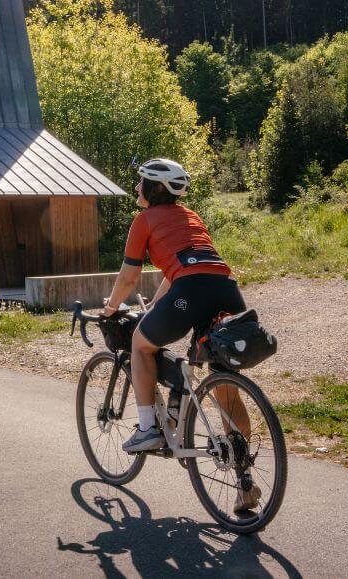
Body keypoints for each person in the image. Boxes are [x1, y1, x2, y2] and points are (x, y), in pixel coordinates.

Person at [102, 158, 260, 512]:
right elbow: (182, 271)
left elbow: (129, 278)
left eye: (141, 181)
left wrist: (111, 307)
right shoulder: (191, 216)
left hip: (190, 291)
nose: (137, 187)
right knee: (226, 388)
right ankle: (245, 484)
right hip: (226, 289)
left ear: (155, 188)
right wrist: (155, 307)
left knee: (140, 344)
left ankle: (149, 428)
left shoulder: (143, 220)